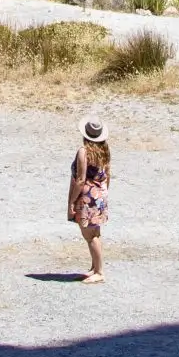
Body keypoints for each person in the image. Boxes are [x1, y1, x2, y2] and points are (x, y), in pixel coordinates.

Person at [66, 119, 111, 282]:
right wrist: (103, 194)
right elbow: (108, 174)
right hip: (100, 194)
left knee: (90, 235)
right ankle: (94, 267)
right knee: (95, 232)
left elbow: (80, 179)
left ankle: (99, 272)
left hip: (87, 197)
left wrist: (72, 201)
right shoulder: (104, 150)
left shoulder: (84, 152)